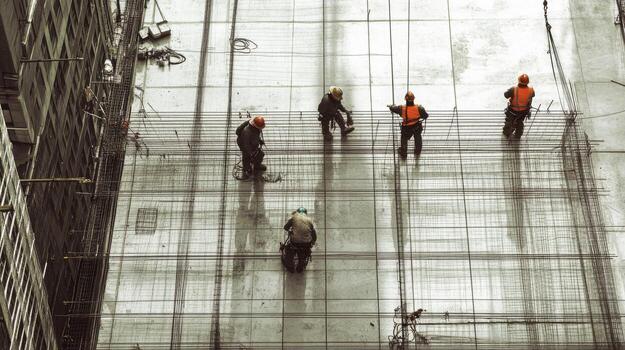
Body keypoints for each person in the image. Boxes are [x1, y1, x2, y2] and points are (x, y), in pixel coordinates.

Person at [387, 91, 429, 158]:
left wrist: (391, 106)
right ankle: (417, 151)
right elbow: (425, 116)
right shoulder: (419, 108)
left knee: (404, 138)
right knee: (418, 137)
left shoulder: (401, 108)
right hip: (417, 126)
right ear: (414, 98)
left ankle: (404, 153)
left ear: (405, 99)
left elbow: (393, 108)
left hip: (406, 127)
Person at [282, 207, 317, 272]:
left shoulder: (294, 218)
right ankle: (300, 267)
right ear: (306, 213)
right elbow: (313, 233)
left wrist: (290, 231)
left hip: (295, 241)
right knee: (304, 255)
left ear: (297, 212)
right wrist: (313, 241)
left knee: (289, 250)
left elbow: (286, 227)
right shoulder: (309, 220)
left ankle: (290, 267)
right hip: (306, 243)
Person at [503, 73, 535, 139]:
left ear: (519, 81)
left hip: (513, 111)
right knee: (520, 122)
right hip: (524, 111)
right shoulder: (531, 90)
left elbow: (506, 95)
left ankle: (507, 132)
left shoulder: (513, 89)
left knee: (509, 122)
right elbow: (532, 95)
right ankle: (518, 135)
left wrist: (509, 90)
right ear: (527, 82)